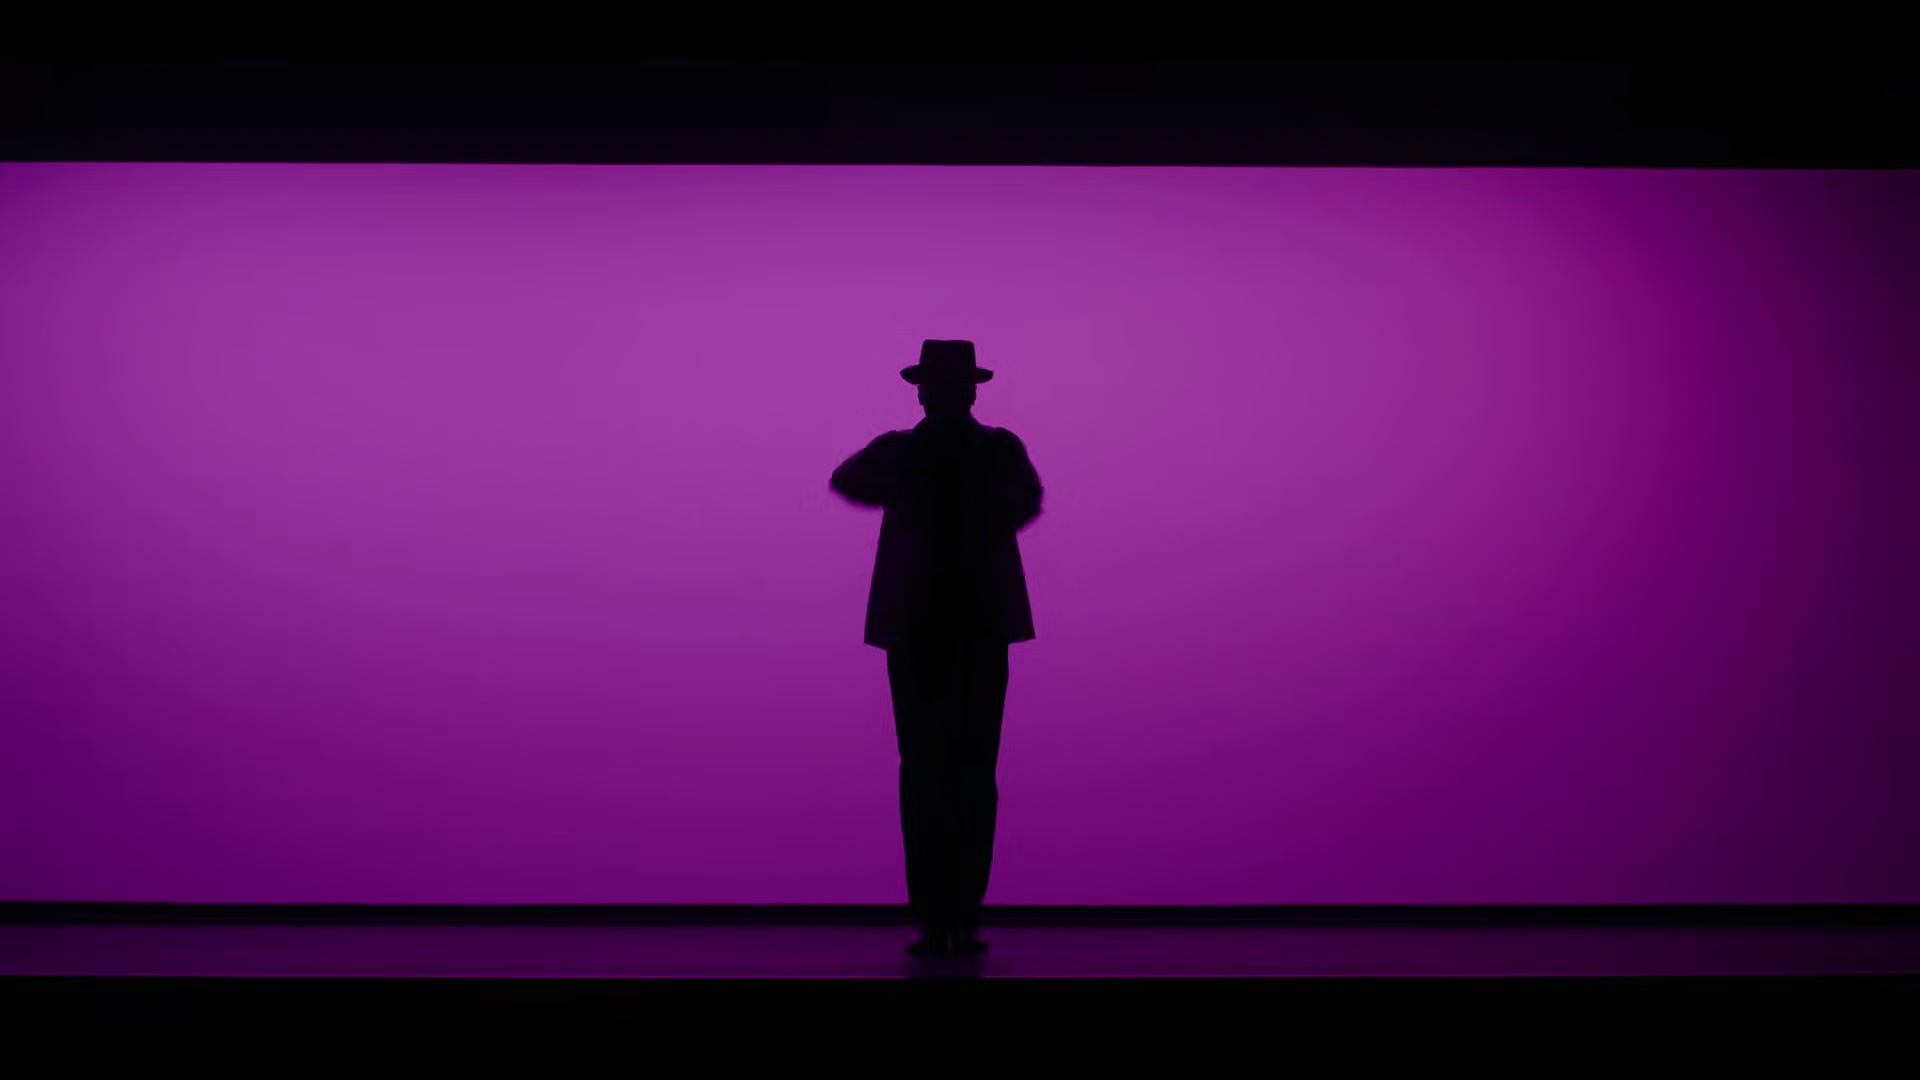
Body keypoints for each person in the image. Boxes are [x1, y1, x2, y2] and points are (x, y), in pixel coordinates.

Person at [830, 340, 1043, 957]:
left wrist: (917, 486)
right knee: (972, 769)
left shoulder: (904, 451)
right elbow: (1025, 501)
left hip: (920, 625)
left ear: (923, 392)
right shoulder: (993, 450)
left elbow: (848, 479)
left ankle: (936, 914)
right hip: (974, 624)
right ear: (971, 391)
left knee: (926, 768)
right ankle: (961, 914)